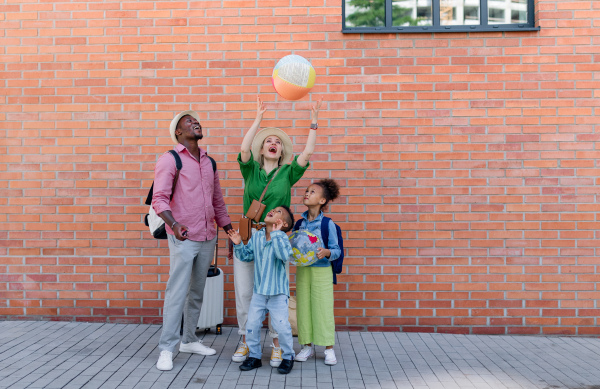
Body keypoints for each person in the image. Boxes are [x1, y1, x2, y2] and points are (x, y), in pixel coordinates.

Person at [232, 95, 322, 367]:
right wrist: (258, 120)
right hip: (249, 236)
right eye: (268, 141)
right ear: (262, 150)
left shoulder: (287, 173)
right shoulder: (250, 171)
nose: (273, 144)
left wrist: (314, 121)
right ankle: (246, 340)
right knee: (245, 292)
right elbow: (244, 149)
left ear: (282, 152)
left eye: (278, 142)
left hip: (276, 239)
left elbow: (306, 154)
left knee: (274, 293)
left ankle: (275, 343)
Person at [152, 110, 233, 371]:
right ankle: (167, 348)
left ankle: (188, 340)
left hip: (208, 235)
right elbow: (159, 199)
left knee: (197, 291)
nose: (195, 122)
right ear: (178, 131)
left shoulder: (209, 162)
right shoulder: (170, 159)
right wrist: (174, 225)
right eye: (188, 121)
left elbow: (217, 202)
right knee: (176, 292)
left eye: (196, 120)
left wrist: (230, 231)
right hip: (183, 236)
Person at [228, 206, 296, 374]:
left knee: (282, 327)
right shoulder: (257, 236)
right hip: (259, 292)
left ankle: (288, 357)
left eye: (279, 212)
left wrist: (277, 234)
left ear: (284, 223)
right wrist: (238, 244)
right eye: (273, 209)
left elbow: (284, 255)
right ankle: (255, 357)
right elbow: (246, 256)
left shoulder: (282, 238)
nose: (272, 210)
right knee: (251, 324)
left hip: (277, 293)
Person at [293, 179, 341, 365]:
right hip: (303, 272)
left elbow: (336, 251)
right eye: (306, 191)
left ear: (322, 201)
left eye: (312, 192)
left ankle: (328, 348)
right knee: (303, 308)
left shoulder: (327, 224)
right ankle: (306, 347)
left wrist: (327, 252)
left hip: (322, 272)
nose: (307, 193)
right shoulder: (299, 224)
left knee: (323, 309)